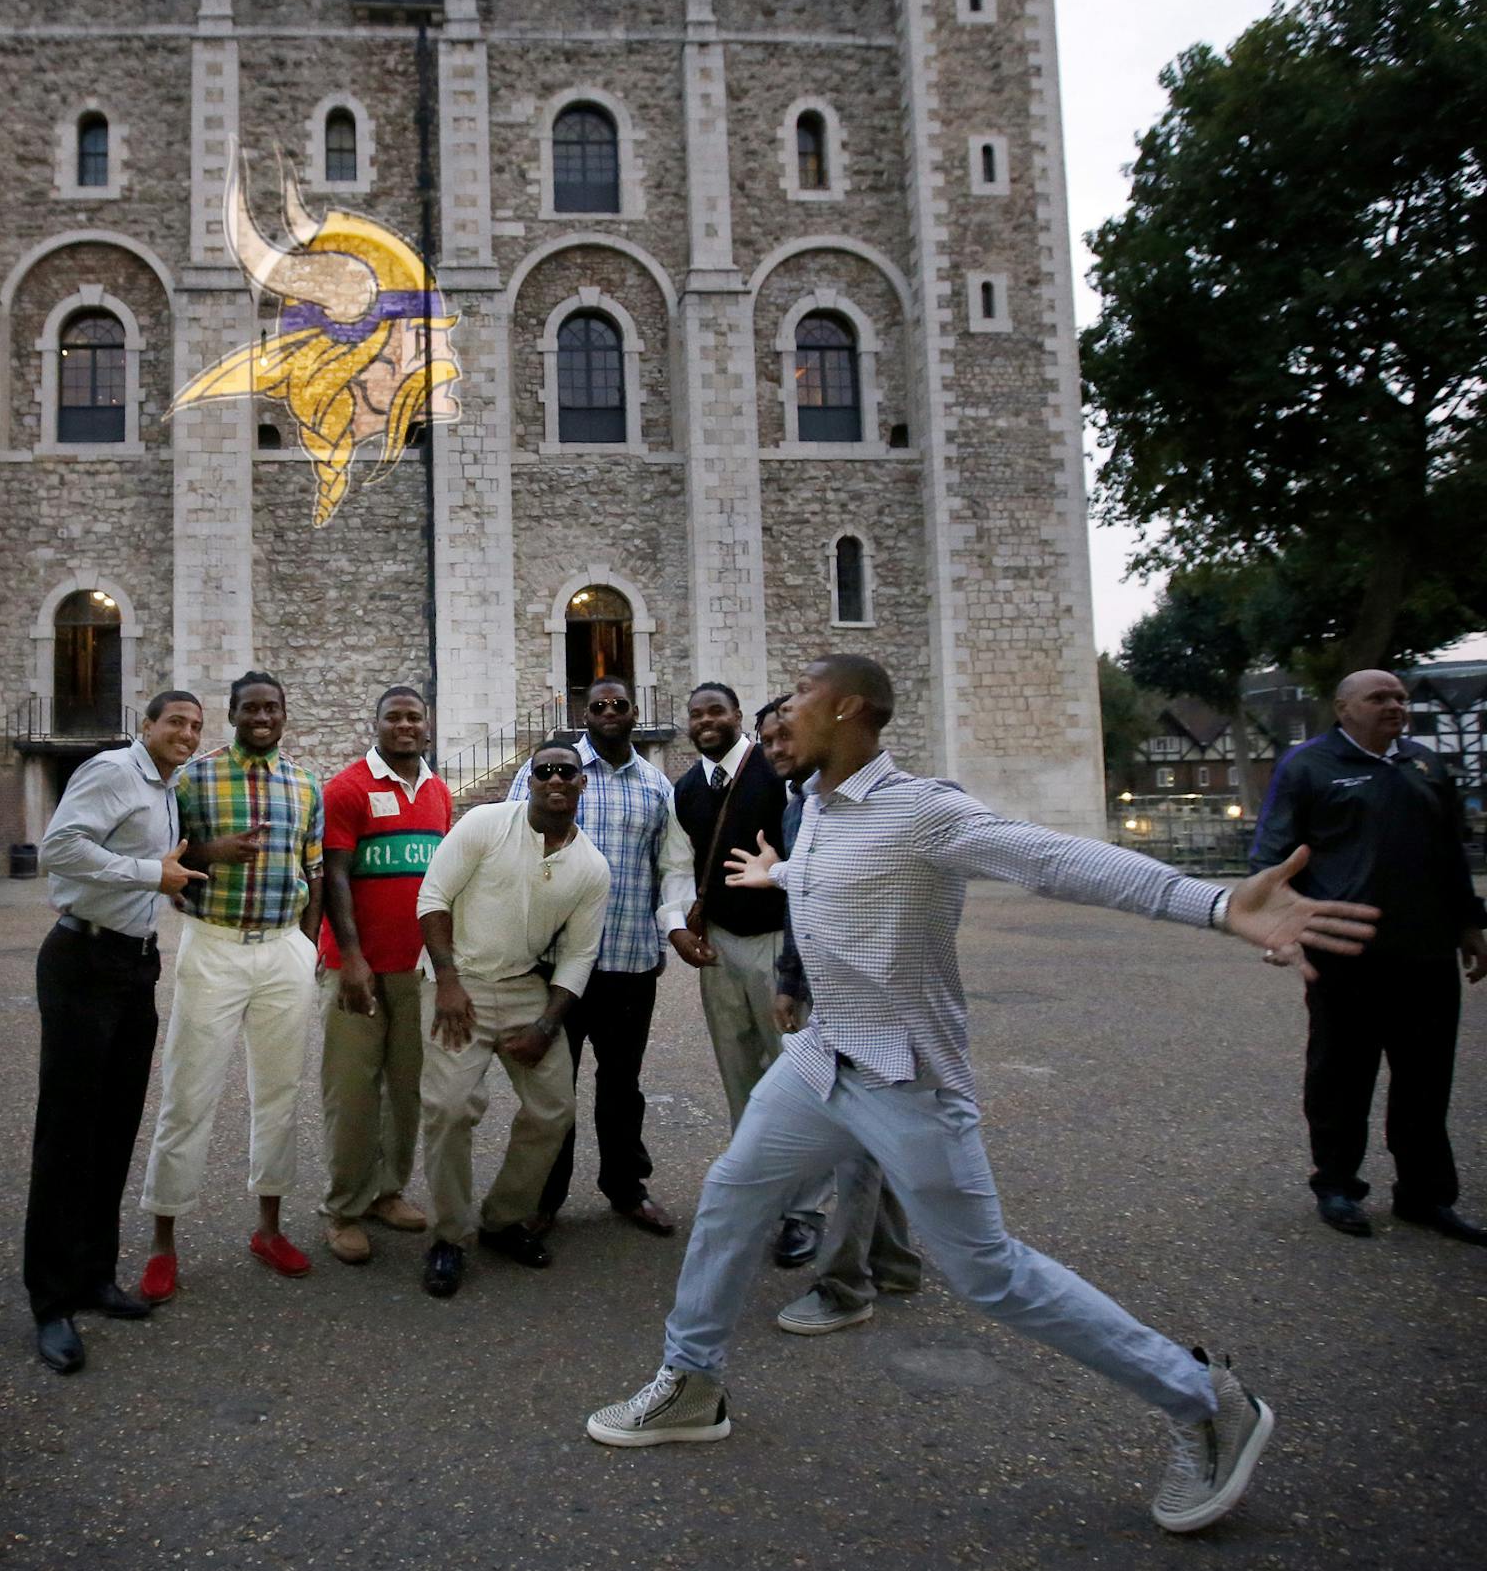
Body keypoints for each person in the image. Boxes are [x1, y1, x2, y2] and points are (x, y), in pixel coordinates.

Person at [584, 654, 1381, 1538]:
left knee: (987, 1271)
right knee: (733, 1194)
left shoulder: (927, 811)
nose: (780, 718)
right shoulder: (817, 810)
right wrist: (780, 875)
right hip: (819, 1061)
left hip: (906, 1078)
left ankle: (1205, 1400)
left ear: (849, 709)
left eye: (799, 698)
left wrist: (1216, 902)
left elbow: (1052, 859)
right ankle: (691, 1382)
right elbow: (841, 881)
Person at [1248, 668, 1487, 1244]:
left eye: (1401, 697)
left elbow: (1451, 850)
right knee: (1341, 1073)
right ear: (1342, 707)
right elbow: (1275, 854)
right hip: (1345, 951)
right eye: (1379, 697)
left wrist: (1471, 924)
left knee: (1426, 1080)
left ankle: (1425, 1195)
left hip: (1426, 951)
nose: (1395, 705)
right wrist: (1276, 923)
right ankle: (1336, 1185)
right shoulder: (1308, 766)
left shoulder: (1426, 764)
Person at [24, 689, 209, 1374]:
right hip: (82, 958)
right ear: (147, 725)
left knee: (113, 1130)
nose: (186, 734)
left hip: (134, 963)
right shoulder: (111, 770)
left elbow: (151, 868)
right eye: (176, 723)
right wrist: (147, 872)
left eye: (195, 726)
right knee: (68, 1134)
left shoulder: (165, 790)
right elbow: (59, 849)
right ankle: (50, 1304)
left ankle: (94, 1278)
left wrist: (167, 882)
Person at [137, 671, 326, 1300]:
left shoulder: (304, 783)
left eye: (272, 707)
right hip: (214, 944)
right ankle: (163, 1243)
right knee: (187, 1093)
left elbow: (315, 868)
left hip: (282, 951)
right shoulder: (194, 779)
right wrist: (212, 853)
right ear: (234, 714)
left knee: (279, 1092)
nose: (262, 717)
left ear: (284, 713)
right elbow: (170, 862)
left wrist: (306, 940)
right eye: (250, 708)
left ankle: (268, 1228)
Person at [417, 740, 611, 1296]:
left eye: (567, 772)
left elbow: (578, 955)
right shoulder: (485, 823)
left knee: (554, 1109)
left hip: (527, 987)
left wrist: (548, 1026)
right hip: (460, 981)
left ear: (581, 784)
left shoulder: (590, 866)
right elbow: (433, 898)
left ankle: (503, 1220)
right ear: (529, 779)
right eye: (545, 770)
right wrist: (448, 983)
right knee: (449, 1109)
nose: (556, 779)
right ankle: (449, 1237)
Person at [755, 695, 921, 1336]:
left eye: (785, 735)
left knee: (854, 1143)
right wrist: (794, 979)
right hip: (836, 991)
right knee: (867, 1135)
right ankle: (896, 1262)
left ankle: (847, 1285)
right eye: (767, 739)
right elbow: (807, 906)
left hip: (873, 996)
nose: (776, 749)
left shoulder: (891, 800)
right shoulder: (805, 807)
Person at [505, 676, 684, 1238]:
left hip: (628, 960)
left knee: (622, 1085)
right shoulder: (547, 771)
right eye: (599, 705)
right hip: (556, 966)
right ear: (585, 712)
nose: (609, 712)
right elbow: (511, 850)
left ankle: (625, 1187)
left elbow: (670, 867)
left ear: (634, 713)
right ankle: (543, 1195)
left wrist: (662, 936)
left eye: (619, 705)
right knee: (555, 1090)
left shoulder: (657, 786)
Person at [661, 682, 828, 1267]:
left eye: (717, 711)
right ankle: (762, 1194)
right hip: (722, 948)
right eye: (696, 713)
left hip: (779, 942)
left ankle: (805, 1211)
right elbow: (679, 864)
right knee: (740, 1079)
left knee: (797, 1078)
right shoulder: (687, 789)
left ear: (737, 716)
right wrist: (679, 925)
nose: (705, 721)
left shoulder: (779, 772)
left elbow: (819, 847)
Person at [316, 684, 451, 1264]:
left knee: (406, 1090)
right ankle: (344, 1207)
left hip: (414, 969)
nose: (404, 726)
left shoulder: (441, 793)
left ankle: (387, 1191)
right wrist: (350, 958)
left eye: (413, 717)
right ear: (375, 725)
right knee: (351, 1092)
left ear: (427, 726)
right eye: (392, 717)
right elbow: (336, 877)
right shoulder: (346, 789)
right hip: (357, 970)